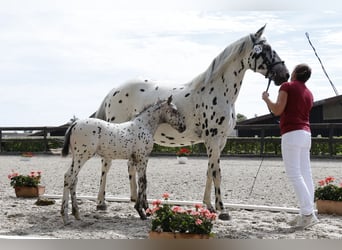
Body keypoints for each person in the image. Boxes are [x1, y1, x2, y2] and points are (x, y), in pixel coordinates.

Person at [261, 63, 319, 230]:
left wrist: (266, 99)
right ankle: (306, 213)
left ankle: (307, 214)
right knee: (306, 173)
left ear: (294, 72)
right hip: (306, 134)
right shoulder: (309, 93)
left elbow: (278, 110)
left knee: (294, 175)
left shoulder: (287, 86)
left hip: (292, 133)